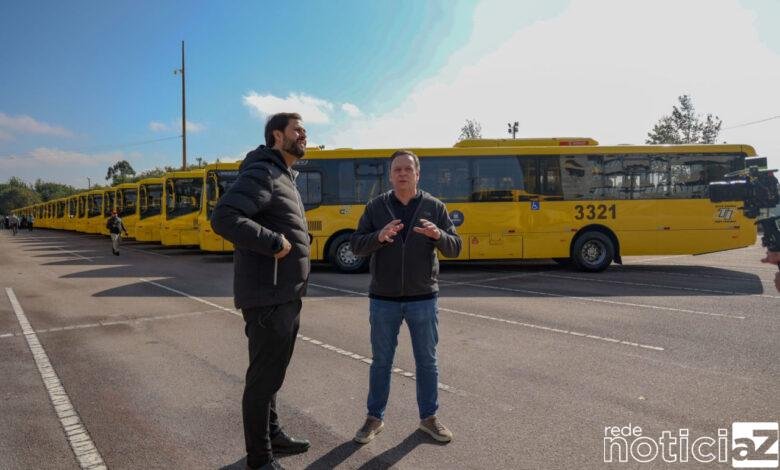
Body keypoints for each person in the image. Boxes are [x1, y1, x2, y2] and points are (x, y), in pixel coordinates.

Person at [211, 112, 311, 470]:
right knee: (262, 379)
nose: (304, 134)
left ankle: (274, 437)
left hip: (283, 293)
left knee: (271, 376)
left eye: (304, 129)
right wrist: (273, 242)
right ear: (276, 135)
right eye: (297, 129)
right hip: (268, 298)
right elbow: (224, 217)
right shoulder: (263, 172)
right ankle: (260, 458)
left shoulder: (283, 175)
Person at [350, 149, 462, 444]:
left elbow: (455, 247)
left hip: (423, 297)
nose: (402, 173)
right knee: (381, 362)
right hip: (383, 298)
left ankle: (429, 418)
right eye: (397, 169)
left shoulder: (435, 206)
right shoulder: (375, 207)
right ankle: (374, 418)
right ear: (390, 175)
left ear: (417, 174)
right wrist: (378, 236)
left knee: (427, 361)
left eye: (407, 169)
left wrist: (439, 235)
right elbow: (356, 245)